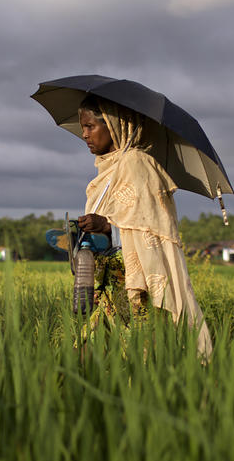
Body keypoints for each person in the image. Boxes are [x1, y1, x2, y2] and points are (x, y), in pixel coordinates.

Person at [75, 95, 213, 358]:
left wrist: (106, 225)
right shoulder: (107, 169)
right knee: (87, 360)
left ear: (114, 125)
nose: (84, 134)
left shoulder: (137, 163)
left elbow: (150, 227)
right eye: (83, 127)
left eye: (91, 126)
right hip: (108, 288)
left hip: (136, 288)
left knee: (138, 359)